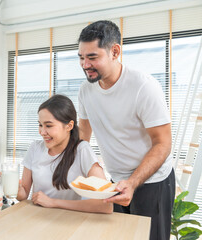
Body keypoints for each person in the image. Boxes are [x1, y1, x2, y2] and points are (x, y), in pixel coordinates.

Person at [77, 20, 175, 240]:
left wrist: (132, 182)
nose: (85, 65)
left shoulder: (143, 87)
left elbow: (163, 143)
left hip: (153, 182)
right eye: (81, 58)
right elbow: (83, 136)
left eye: (92, 57)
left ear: (115, 51)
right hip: (116, 182)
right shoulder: (85, 91)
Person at [17, 94, 113, 214]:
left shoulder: (82, 150)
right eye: (40, 125)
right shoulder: (35, 148)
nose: (42, 132)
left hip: (66, 222)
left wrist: (53, 202)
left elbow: (105, 206)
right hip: (36, 217)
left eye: (48, 125)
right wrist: (13, 186)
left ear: (69, 126)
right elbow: (23, 195)